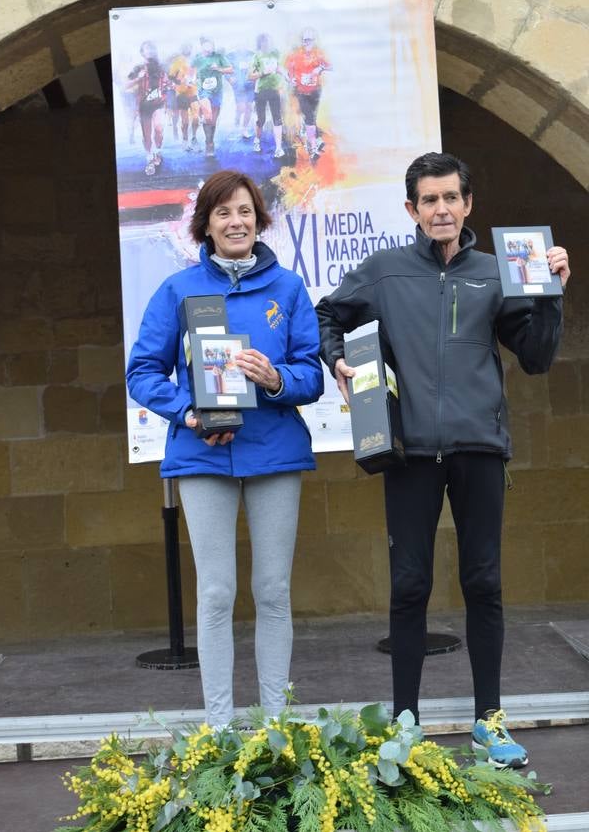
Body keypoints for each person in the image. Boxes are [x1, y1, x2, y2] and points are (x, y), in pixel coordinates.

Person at [316, 152, 570, 768]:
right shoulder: (383, 272)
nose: (441, 209)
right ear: (412, 210)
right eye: (428, 200)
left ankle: (489, 722)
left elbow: (535, 357)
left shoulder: (496, 271)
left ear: (468, 204)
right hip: (410, 453)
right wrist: (339, 362)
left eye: (451, 198)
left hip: (479, 448)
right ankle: (406, 725)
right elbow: (327, 315)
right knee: (410, 586)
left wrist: (551, 296)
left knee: (484, 583)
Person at [127, 170, 324, 728]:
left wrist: (275, 377)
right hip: (201, 455)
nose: (235, 222)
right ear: (205, 226)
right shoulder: (178, 290)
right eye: (223, 213)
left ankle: (277, 727)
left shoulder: (287, 290)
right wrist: (187, 411)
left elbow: (310, 373)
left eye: (244, 211)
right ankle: (219, 730)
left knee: (273, 590)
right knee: (215, 593)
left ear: (259, 219)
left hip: (274, 453)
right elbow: (143, 372)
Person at [286, 27, 331, 160]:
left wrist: (320, 68)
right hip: (301, 92)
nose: (307, 43)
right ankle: (313, 148)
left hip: (316, 91)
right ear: (302, 41)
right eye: (305, 40)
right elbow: (289, 72)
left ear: (314, 40)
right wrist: (291, 79)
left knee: (312, 118)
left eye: (310, 40)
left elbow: (331, 66)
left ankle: (311, 139)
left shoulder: (319, 54)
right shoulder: (295, 56)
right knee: (310, 118)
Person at [127, 40, 169, 176]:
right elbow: (126, 85)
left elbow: (169, 81)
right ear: (142, 52)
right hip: (144, 106)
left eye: (152, 49)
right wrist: (138, 78)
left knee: (159, 128)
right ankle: (149, 156)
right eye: (146, 49)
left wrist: (171, 85)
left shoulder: (161, 66)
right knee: (147, 135)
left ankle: (157, 152)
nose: (150, 51)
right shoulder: (138, 68)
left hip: (159, 103)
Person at [193, 38, 233, 157]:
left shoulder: (219, 57)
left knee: (213, 121)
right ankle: (209, 144)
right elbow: (190, 71)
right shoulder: (198, 59)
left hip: (217, 91)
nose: (209, 47)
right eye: (206, 45)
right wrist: (192, 79)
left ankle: (209, 142)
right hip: (204, 90)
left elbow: (230, 69)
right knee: (208, 117)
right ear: (202, 46)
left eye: (211, 45)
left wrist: (218, 69)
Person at [250, 33, 286, 158]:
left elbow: (279, 68)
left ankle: (279, 148)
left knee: (277, 118)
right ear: (260, 43)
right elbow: (250, 76)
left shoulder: (275, 53)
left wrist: (286, 76)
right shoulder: (256, 56)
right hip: (260, 91)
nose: (266, 44)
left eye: (268, 41)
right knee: (262, 119)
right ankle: (257, 140)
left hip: (274, 90)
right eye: (264, 41)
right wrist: (263, 73)